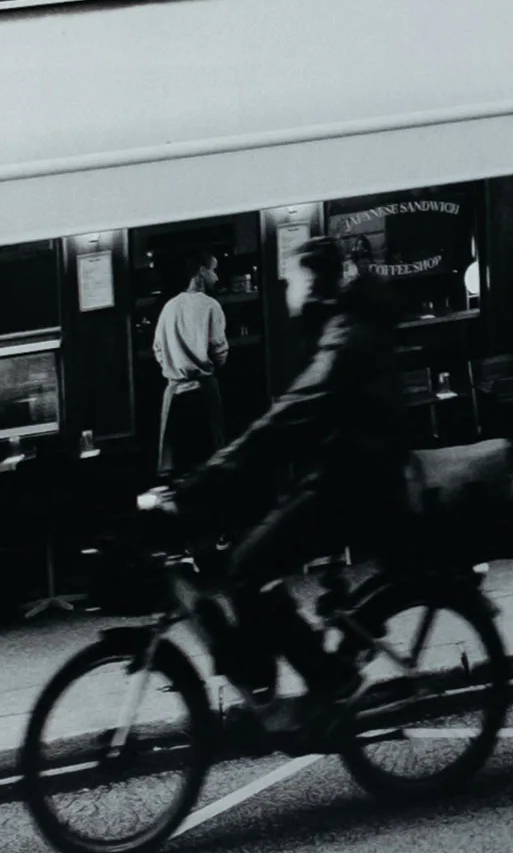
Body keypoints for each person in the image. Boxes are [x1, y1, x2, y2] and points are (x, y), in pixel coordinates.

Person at [159, 237, 408, 737]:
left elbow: (294, 414)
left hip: (355, 482)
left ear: (312, 281)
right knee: (256, 554)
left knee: (248, 566)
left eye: (291, 279)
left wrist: (211, 477)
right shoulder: (334, 326)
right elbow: (297, 414)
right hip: (343, 472)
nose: (286, 290)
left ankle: (329, 680)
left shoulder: (344, 334)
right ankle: (286, 676)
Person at [149, 252, 235, 482]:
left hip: (174, 393)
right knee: (210, 464)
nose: (216, 277)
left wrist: (174, 366)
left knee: (178, 466)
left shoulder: (169, 307)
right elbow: (220, 351)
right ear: (201, 272)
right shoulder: (211, 306)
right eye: (213, 270)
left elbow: (158, 349)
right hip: (204, 392)